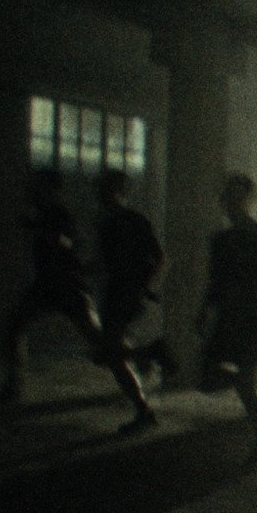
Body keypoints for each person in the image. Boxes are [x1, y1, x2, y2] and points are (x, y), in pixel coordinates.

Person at [0, 168, 104, 406]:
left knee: (99, 343)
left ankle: (147, 353)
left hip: (66, 285)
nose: (31, 190)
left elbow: (67, 242)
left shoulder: (57, 214)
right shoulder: (46, 213)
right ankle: (13, 387)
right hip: (49, 284)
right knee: (15, 327)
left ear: (49, 189)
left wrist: (40, 229)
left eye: (37, 186)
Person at [196, 173, 257, 464]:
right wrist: (206, 309)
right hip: (234, 316)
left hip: (252, 316)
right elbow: (216, 282)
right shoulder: (223, 240)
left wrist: (246, 286)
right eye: (228, 197)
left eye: (236, 197)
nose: (231, 203)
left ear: (246, 201)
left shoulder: (256, 236)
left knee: (244, 383)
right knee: (212, 378)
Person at [93, 169, 164, 435]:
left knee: (112, 352)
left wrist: (146, 287)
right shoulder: (110, 223)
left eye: (102, 189)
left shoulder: (130, 221)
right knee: (112, 353)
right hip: (119, 292)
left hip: (124, 293)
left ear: (115, 191)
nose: (98, 195)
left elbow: (159, 257)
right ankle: (143, 408)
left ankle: (149, 360)